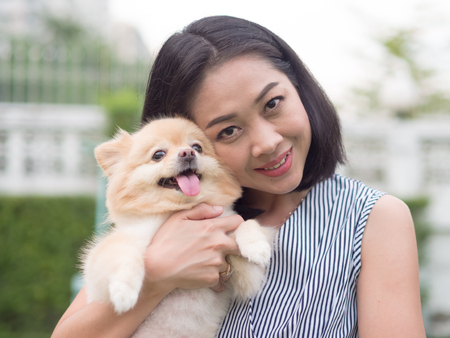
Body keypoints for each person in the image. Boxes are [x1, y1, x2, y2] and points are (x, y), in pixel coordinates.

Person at [52, 15, 426, 337]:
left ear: (300, 87)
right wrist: (156, 278)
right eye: (228, 131)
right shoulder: (164, 222)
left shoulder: (372, 219)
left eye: (273, 104)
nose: (266, 142)